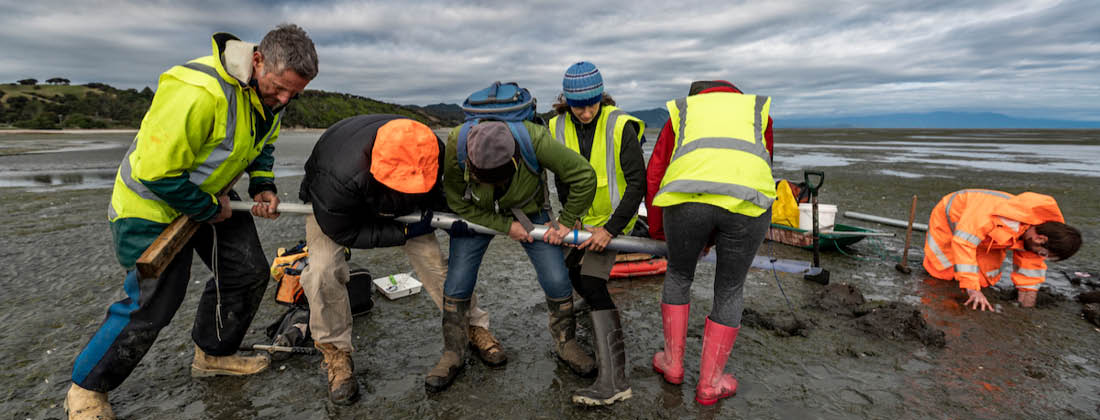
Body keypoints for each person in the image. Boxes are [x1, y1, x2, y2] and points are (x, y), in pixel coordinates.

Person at [66, 25, 317, 419]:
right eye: (280, 88)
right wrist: (204, 209)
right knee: (155, 299)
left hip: (210, 192)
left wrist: (263, 183)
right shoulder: (199, 91)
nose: (284, 100)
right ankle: (86, 388)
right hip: (149, 204)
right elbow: (155, 172)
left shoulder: (269, 96)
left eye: (294, 93)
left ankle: (213, 354)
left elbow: (262, 142)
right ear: (257, 61)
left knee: (248, 271)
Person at [296, 114, 506, 404]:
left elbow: (438, 194)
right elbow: (344, 231)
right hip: (337, 211)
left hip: (403, 207)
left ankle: (472, 326)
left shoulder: (430, 147)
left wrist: (449, 216)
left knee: (435, 264)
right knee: (321, 271)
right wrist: (403, 231)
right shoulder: (336, 179)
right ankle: (336, 354)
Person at [425, 117, 598, 393]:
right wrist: (506, 227)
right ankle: (453, 351)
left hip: (530, 212)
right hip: (476, 213)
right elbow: (456, 200)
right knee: (458, 281)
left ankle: (567, 342)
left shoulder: (536, 140)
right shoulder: (457, 143)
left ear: (516, 161)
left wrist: (565, 221)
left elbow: (584, 176)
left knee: (556, 278)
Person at [645, 80, 776, 406]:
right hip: (748, 205)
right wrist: (715, 236)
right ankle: (710, 383)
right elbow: (759, 167)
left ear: (697, 96)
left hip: (686, 200)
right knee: (730, 288)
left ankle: (673, 365)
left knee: (678, 274)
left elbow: (656, 170)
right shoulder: (758, 113)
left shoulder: (683, 112)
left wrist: (660, 231)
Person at [547, 61, 645, 406]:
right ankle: (599, 325)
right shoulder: (556, 126)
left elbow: (638, 185)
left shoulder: (621, 126)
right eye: (578, 105)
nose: (586, 112)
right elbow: (561, 177)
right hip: (579, 223)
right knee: (571, 272)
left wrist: (610, 229)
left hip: (613, 222)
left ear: (601, 97)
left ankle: (615, 381)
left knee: (591, 282)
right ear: (566, 101)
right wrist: (569, 218)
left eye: (593, 103)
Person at [923, 189, 1081, 311]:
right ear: (1041, 239)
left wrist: (1027, 306)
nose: (1041, 257)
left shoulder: (1038, 232)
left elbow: (1030, 271)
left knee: (984, 280)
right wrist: (972, 290)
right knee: (945, 273)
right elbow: (963, 243)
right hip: (952, 221)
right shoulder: (992, 215)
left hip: (987, 236)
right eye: (1043, 254)